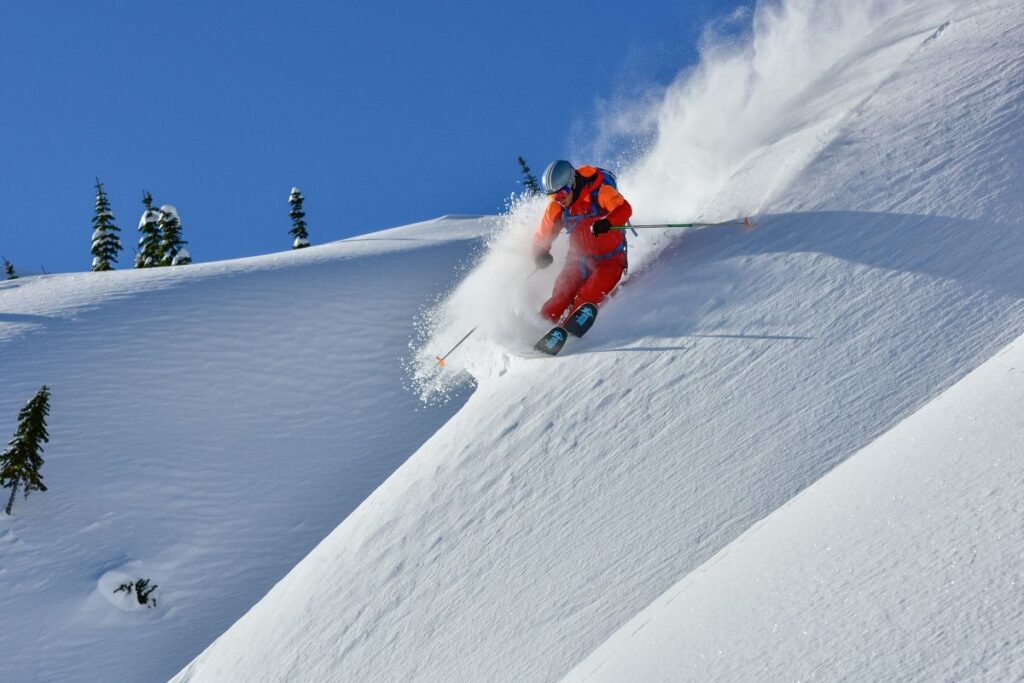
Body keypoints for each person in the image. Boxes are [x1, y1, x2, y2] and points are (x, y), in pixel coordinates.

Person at [532, 159, 633, 323]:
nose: (559, 198)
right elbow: (542, 235)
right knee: (559, 298)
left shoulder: (599, 191)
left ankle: (568, 328)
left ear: (572, 182)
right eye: (553, 195)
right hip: (578, 261)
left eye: (562, 192)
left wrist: (608, 222)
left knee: (587, 297)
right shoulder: (557, 206)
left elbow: (624, 208)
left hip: (610, 261)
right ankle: (537, 331)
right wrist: (540, 253)